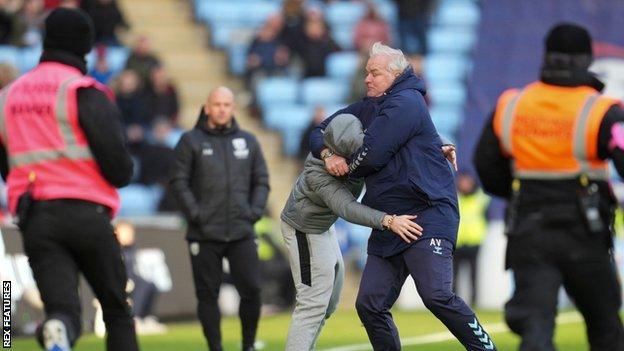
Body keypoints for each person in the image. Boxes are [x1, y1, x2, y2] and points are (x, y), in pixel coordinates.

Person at [309, 42, 496, 351]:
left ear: (395, 75)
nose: (367, 79)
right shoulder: (370, 107)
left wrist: (349, 167)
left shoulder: (407, 101)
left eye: (374, 73)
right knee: (369, 304)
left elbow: (372, 156)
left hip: (427, 213)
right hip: (390, 220)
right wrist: (328, 154)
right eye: (367, 73)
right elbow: (320, 130)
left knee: (436, 295)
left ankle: (486, 348)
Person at [474, 23, 624, 351]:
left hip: (529, 228)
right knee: (606, 327)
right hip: (585, 231)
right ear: (586, 59)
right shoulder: (603, 110)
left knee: (536, 327)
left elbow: (486, 165)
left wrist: (519, 193)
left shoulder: (511, 104)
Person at [0, 8, 138, 351]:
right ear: (85, 45)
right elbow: (119, 168)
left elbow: (8, 164)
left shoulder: (8, 97)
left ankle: (59, 329)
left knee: (62, 311)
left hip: (36, 218)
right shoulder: (83, 90)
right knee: (116, 311)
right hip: (87, 213)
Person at [281, 113, 424, 351]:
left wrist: (438, 146)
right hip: (303, 229)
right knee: (312, 303)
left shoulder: (361, 147)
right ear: (331, 149)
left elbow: (400, 138)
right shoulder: (317, 170)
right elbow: (346, 207)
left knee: (329, 303)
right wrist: (387, 220)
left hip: (323, 227)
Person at [170, 86, 269, 351]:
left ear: (233, 108)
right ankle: (215, 347)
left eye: (227, 104)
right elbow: (178, 183)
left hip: (241, 230)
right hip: (204, 233)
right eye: (217, 104)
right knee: (207, 296)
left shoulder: (248, 141)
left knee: (252, 290)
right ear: (207, 107)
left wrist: (254, 212)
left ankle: (248, 344)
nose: (222, 109)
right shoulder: (190, 141)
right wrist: (196, 214)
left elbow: (261, 181)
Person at [453, 172, 489, 306]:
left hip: (474, 243)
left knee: (473, 275)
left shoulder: (481, 199)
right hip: (457, 242)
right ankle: (452, 303)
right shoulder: (455, 197)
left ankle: (474, 301)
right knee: (453, 276)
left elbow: (487, 219)